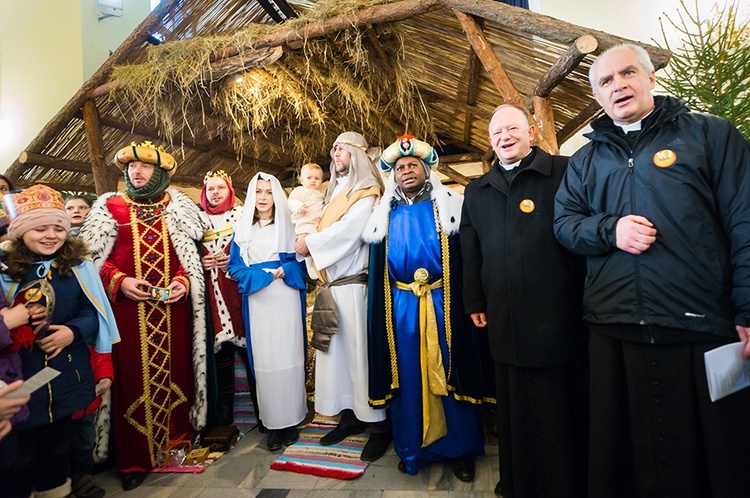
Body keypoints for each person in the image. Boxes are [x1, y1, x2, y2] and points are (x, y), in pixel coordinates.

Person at [554, 44, 750, 498]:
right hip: (615, 324)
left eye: (627, 73)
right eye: (605, 81)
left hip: (698, 323)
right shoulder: (585, 160)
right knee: (626, 454)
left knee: (717, 456)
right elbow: (564, 225)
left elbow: (744, 219)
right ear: (597, 98)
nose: (618, 85)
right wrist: (610, 229)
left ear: (651, 79)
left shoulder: (709, 135)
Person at [460, 104, 587, 497]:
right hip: (504, 316)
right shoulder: (477, 190)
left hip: (560, 316)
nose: (504, 137)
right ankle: (519, 481)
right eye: (496, 132)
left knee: (560, 403)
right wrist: (474, 301)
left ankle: (567, 483)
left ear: (531, 132)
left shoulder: (565, 172)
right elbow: (471, 252)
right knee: (515, 404)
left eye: (512, 128)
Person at [79, 141, 207, 491]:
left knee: (177, 375)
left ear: (160, 172)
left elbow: (188, 255)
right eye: (132, 167)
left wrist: (183, 281)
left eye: (146, 167)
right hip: (127, 314)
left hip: (172, 313)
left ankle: (175, 447)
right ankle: (134, 460)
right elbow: (91, 261)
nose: (137, 172)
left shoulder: (177, 207)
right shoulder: (109, 208)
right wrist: (119, 281)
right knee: (131, 381)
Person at [364, 134, 492, 481]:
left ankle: (460, 450)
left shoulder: (450, 205)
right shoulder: (383, 215)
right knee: (408, 378)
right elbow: (379, 275)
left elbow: (467, 261)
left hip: (443, 304)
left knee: (451, 372)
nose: (407, 171)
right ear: (394, 175)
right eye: (401, 167)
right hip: (402, 309)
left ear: (426, 170)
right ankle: (412, 448)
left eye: (413, 165)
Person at [0, 184, 119, 498]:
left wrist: (73, 332)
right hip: (23, 384)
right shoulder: (5, 272)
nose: (50, 235)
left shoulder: (79, 266)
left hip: (67, 376)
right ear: (21, 231)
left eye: (58, 227)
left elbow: (95, 312)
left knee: (59, 451)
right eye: (40, 228)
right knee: (21, 458)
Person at [294, 131, 390, 461]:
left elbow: (350, 233)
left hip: (354, 289)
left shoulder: (367, 192)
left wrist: (311, 244)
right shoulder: (336, 192)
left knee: (359, 357)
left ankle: (378, 427)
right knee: (336, 358)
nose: (335, 153)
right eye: (333, 148)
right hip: (332, 287)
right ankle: (347, 417)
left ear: (359, 154)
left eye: (342, 148)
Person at [227, 172, 308, 451]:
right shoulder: (242, 230)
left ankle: (292, 420)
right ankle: (273, 424)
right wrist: (262, 277)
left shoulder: (290, 226)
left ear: (277, 195)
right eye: (258, 192)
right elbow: (235, 268)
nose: (263, 197)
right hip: (259, 300)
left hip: (285, 295)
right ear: (252, 196)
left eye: (268, 192)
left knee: (290, 356)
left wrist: (287, 270)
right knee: (266, 361)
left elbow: (304, 262)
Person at [199, 170, 250, 427]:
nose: (216, 193)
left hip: (239, 296)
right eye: (211, 189)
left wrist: (235, 260)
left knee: (250, 355)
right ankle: (224, 417)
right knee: (221, 360)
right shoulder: (195, 221)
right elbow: (183, 257)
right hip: (211, 299)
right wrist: (200, 261)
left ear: (230, 191)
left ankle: (265, 413)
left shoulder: (243, 216)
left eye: (221, 188)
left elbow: (255, 249)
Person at [288, 163, 325, 280]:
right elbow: (291, 201)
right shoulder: (300, 191)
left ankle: (317, 266)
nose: (313, 181)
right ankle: (310, 266)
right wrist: (299, 207)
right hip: (305, 224)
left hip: (316, 225)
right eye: (309, 178)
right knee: (308, 245)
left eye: (317, 178)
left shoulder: (321, 194)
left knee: (316, 245)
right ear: (301, 179)